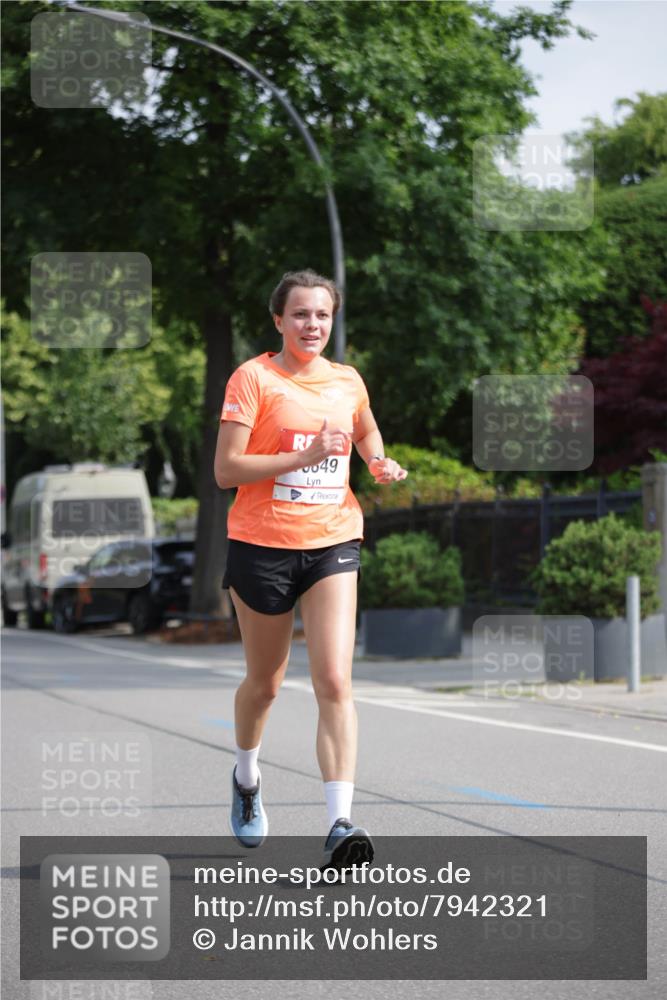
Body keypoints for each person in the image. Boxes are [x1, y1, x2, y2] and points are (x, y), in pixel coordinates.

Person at [214, 269, 407, 870]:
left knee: (335, 681)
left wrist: (375, 459)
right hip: (261, 544)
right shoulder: (253, 378)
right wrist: (302, 455)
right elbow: (227, 469)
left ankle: (339, 823)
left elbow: (364, 427)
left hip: (333, 540)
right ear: (279, 320)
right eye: (300, 314)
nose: (313, 325)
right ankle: (247, 777)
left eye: (322, 315)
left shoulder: (347, 380)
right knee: (266, 684)